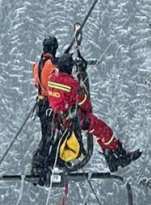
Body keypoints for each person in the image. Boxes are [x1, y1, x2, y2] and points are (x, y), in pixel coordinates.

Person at [45, 52, 141, 172]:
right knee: (103, 130)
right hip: (75, 119)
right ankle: (119, 154)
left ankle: (111, 155)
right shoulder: (71, 84)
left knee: (99, 131)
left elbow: (59, 80)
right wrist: (87, 108)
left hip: (59, 118)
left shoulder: (51, 78)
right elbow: (84, 101)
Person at [30, 36, 59, 181]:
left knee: (46, 135)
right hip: (50, 104)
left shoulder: (37, 65)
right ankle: (42, 163)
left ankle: (41, 163)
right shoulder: (53, 64)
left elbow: (37, 83)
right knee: (50, 137)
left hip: (41, 104)